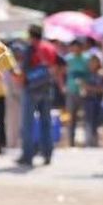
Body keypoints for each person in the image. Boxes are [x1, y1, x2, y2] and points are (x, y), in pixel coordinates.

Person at [16, 24, 60, 167]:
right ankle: (48, 154)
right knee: (46, 122)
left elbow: (24, 70)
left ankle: (27, 156)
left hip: (31, 89)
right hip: (47, 89)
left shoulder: (30, 48)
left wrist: (21, 82)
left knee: (28, 123)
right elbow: (60, 65)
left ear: (31, 35)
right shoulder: (50, 48)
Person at [64, 38, 89, 147]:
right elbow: (61, 72)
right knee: (71, 117)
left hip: (85, 91)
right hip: (71, 91)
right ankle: (71, 142)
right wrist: (62, 86)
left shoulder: (87, 58)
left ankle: (87, 141)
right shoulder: (68, 59)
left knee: (86, 117)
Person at [82, 53, 103, 148]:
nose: (92, 64)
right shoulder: (86, 75)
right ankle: (89, 141)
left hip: (99, 101)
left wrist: (90, 88)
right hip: (88, 101)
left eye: (95, 61)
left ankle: (97, 141)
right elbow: (83, 88)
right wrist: (90, 88)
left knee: (98, 121)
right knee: (88, 121)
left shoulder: (101, 74)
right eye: (91, 62)